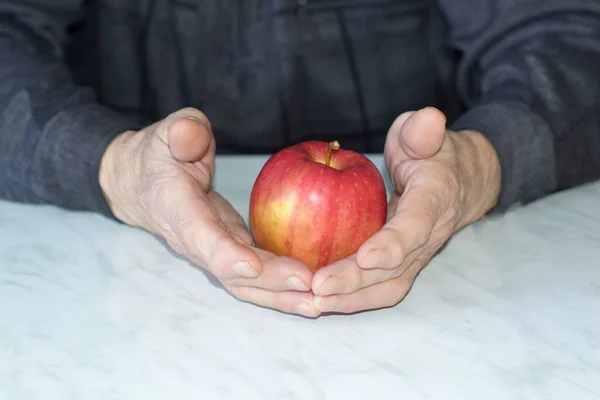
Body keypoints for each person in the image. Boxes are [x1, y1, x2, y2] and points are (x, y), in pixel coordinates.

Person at [0, 1, 599, 318]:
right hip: (129, 295)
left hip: (428, 272)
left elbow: (567, 35)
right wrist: (112, 165)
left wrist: (482, 161)